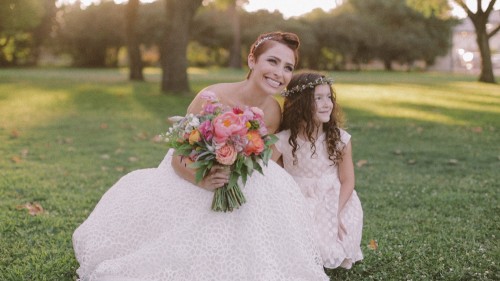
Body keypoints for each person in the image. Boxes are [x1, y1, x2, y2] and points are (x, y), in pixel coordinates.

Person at [72, 32, 329, 281]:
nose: (279, 73)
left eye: (287, 67)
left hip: (239, 180)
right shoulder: (212, 97)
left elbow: (264, 159)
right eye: (272, 61)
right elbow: (177, 157)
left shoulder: (273, 111)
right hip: (194, 174)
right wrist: (204, 179)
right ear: (252, 60)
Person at [272, 71, 363, 269]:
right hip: (296, 200)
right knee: (300, 246)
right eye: (318, 98)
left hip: (335, 199)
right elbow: (269, 176)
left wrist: (335, 213)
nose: (327, 103)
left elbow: (347, 180)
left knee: (334, 242)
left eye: (329, 97)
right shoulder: (283, 141)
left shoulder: (340, 139)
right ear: (300, 104)